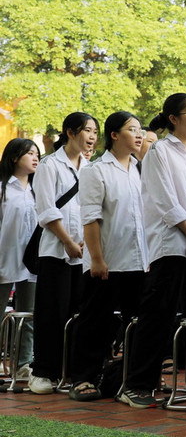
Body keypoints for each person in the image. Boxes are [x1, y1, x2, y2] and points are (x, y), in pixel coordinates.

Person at [119, 94, 186, 409]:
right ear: (172, 118)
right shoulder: (159, 152)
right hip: (171, 245)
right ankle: (137, 384)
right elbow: (166, 201)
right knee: (159, 316)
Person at [71, 111, 148, 401]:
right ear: (114, 135)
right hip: (106, 261)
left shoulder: (141, 169)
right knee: (95, 321)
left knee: (135, 322)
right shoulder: (96, 170)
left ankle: (126, 380)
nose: (138, 135)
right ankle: (82, 379)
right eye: (131, 129)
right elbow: (90, 218)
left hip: (139, 260)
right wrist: (97, 259)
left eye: (140, 130)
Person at [29, 112, 98, 395]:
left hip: (84, 253)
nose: (93, 136)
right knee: (51, 313)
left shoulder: (91, 167)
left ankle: (71, 371)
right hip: (56, 251)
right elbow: (46, 209)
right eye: (87, 131)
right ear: (70, 132)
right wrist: (68, 241)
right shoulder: (49, 165)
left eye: (95, 131)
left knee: (78, 313)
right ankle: (43, 372)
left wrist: (86, 243)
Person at [0, 139, 41, 380]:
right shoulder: (3, 189)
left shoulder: (38, 191)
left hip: (32, 263)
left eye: (37, 154)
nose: (35, 158)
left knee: (29, 315)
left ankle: (24, 363)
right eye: (30, 153)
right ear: (15, 157)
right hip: (5, 260)